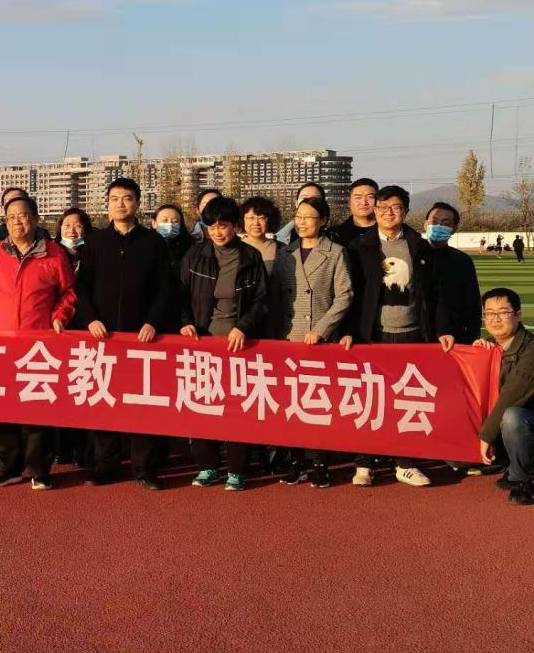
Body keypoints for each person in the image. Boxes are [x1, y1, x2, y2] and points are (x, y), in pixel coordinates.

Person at [345, 185, 454, 488]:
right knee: (370, 399)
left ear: (405, 211)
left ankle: (405, 463)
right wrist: (349, 332)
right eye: (382, 206)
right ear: (375, 210)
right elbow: (351, 295)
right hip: (373, 335)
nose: (388, 212)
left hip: (412, 334)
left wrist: (442, 329)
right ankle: (364, 462)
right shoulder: (359, 247)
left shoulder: (420, 247)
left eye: (395, 207)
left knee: (407, 400)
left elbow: (436, 295)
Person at [0, 195, 76, 491]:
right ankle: (9, 468)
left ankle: (40, 469)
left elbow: (68, 293)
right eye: (11, 217)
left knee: (39, 408)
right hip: (2, 344)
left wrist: (60, 317)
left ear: (36, 219)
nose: (17, 221)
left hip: (39, 345)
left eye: (24, 215)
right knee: (5, 410)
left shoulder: (53, 254)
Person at [75, 177, 173, 491]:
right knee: (104, 400)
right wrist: (90, 319)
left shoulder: (153, 242)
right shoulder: (95, 242)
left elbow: (166, 288)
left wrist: (153, 321)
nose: (121, 204)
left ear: (138, 203)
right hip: (103, 338)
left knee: (142, 403)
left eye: (127, 198)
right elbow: (81, 288)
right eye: (114, 198)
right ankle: (106, 465)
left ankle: (144, 469)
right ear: (107, 204)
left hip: (143, 338)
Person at [179, 196, 268, 492]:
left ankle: (237, 470)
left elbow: (261, 301)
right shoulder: (195, 256)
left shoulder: (250, 257)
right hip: (202, 343)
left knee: (236, 408)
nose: (218, 232)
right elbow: (180, 294)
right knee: (202, 404)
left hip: (238, 346)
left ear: (235, 226)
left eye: (224, 225)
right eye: (212, 226)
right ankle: (207, 466)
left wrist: (243, 327)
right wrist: (185, 322)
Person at [271, 197, 353, 488]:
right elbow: (276, 296)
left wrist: (321, 329)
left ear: (323, 221)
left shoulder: (335, 252)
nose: (302, 222)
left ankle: (320, 463)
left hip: (319, 340)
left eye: (309, 217)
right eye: (299, 216)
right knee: (291, 404)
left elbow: (344, 296)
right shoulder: (285, 253)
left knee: (319, 404)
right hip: (288, 338)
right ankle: (295, 462)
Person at [474, 288, 534, 505]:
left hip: (526, 421)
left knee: (512, 417)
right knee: (456, 460)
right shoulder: (489, 346)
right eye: (489, 313)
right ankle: (508, 461)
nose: (495, 319)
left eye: (503, 312)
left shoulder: (531, 349)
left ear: (518, 315)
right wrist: (477, 358)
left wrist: (486, 435)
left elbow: (512, 395)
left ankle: (522, 480)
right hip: (505, 426)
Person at [54, 206, 94, 468]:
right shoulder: (51, 254)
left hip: (88, 329)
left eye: (77, 225)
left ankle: (84, 448)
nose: (72, 230)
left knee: (84, 389)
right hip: (59, 329)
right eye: (67, 225)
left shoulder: (93, 255)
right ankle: (61, 447)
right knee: (60, 391)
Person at [425, 203, 481, 345]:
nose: (439, 226)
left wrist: (473, 337)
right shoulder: (412, 255)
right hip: (417, 337)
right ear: (425, 224)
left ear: (454, 229)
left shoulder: (462, 260)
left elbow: (472, 303)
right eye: (434, 221)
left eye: (445, 223)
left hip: (453, 339)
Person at [331, 178, 378, 247]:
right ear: (349, 202)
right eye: (358, 197)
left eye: (370, 197)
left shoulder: (387, 231)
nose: (364, 202)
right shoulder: (334, 235)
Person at [239, 196, 281, 275]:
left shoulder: (281, 249)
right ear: (242, 219)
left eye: (261, 218)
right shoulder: (234, 248)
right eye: (251, 218)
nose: (256, 223)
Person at [152, 204, 193, 277]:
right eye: (165, 220)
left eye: (175, 221)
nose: (170, 224)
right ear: (154, 223)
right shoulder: (144, 246)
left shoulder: (190, 248)